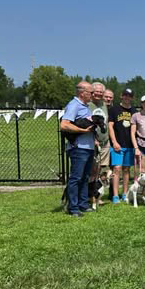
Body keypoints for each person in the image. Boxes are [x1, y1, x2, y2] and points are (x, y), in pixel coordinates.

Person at [60, 81, 97, 217]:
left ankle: (83, 204)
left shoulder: (85, 106)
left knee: (85, 177)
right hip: (78, 148)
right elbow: (64, 125)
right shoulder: (74, 105)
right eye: (91, 92)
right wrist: (82, 130)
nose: (93, 95)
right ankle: (73, 207)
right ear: (82, 93)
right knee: (76, 177)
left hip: (88, 147)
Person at [108, 88, 137, 203]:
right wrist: (114, 142)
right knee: (116, 168)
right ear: (121, 96)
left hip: (129, 144)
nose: (127, 97)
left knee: (126, 169)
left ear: (132, 98)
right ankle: (115, 195)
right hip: (117, 144)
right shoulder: (114, 110)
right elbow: (110, 126)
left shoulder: (134, 111)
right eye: (125, 95)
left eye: (129, 96)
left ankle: (124, 193)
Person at [88, 82, 110, 198]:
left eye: (101, 92)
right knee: (92, 170)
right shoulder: (87, 104)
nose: (98, 94)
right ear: (92, 91)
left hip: (105, 142)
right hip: (92, 142)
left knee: (100, 170)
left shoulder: (104, 104)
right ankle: (88, 195)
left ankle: (96, 194)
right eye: (96, 91)